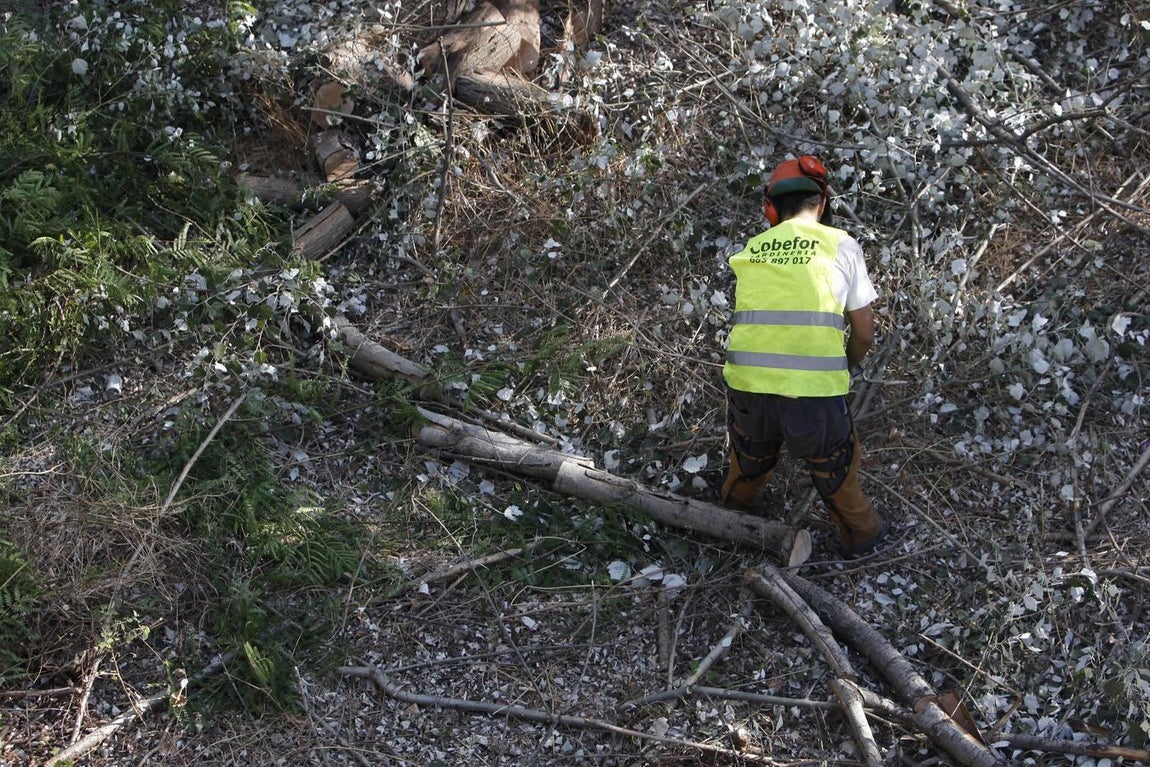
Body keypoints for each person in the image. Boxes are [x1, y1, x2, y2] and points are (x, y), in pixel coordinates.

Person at [720, 154, 888, 557]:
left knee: (748, 462)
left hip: (747, 385)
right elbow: (865, 331)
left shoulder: (753, 248)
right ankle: (863, 539)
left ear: (771, 209)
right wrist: (841, 367)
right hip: (812, 393)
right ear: (823, 203)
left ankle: (730, 523)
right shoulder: (840, 244)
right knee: (835, 469)